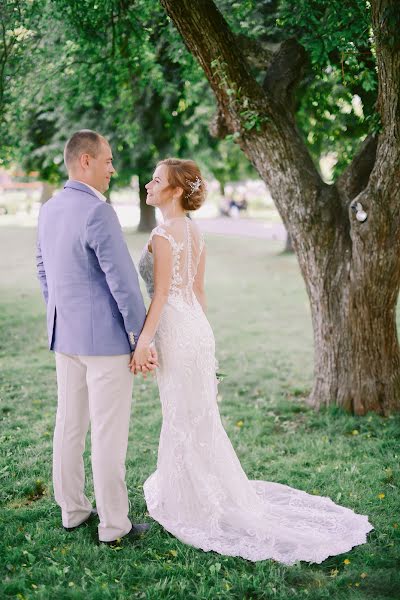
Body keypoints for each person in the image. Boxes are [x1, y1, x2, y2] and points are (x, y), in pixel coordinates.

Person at [132, 157, 373, 564]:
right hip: (197, 331)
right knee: (199, 416)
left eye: (156, 181)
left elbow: (159, 296)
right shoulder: (194, 231)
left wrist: (143, 342)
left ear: (174, 191)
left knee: (181, 415)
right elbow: (198, 292)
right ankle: (192, 491)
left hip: (175, 331)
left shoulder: (161, 234)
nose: (148, 187)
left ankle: (189, 504)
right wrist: (205, 343)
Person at [36, 130, 156, 544]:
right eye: (107, 161)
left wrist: (60, 313)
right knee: (107, 433)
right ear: (84, 161)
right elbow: (123, 282)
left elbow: (42, 268)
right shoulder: (97, 212)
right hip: (104, 344)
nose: (112, 169)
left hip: (64, 337)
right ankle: (114, 526)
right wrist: (142, 338)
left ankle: (72, 511)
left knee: (69, 426)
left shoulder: (50, 208)